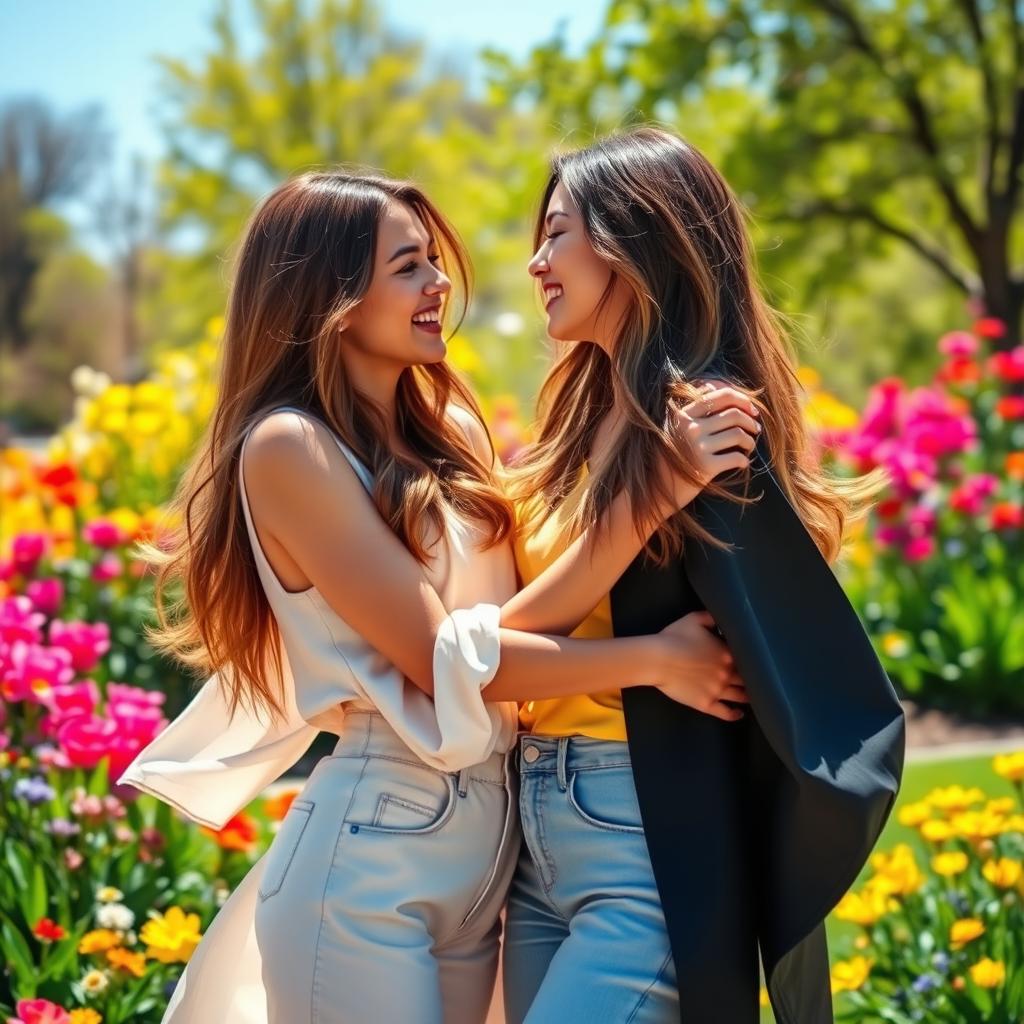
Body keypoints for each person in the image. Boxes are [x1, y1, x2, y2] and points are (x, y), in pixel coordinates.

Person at [118, 168, 762, 1023]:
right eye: (408, 267)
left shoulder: (448, 436)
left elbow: (507, 633)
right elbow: (437, 662)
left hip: (496, 851)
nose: (440, 284)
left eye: (434, 260)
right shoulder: (289, 450)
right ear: (332, 297)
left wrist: (652, 495)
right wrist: (650, 653)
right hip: (374, 847)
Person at [498, 125, 907, 1024]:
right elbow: (494, 653)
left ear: (633, 246)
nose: (535, 262)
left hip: (637, 829)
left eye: (557, 232)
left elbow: (816, 683)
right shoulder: (582, 426)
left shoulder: (704, 426)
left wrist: (661, 489)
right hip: (533, 839)